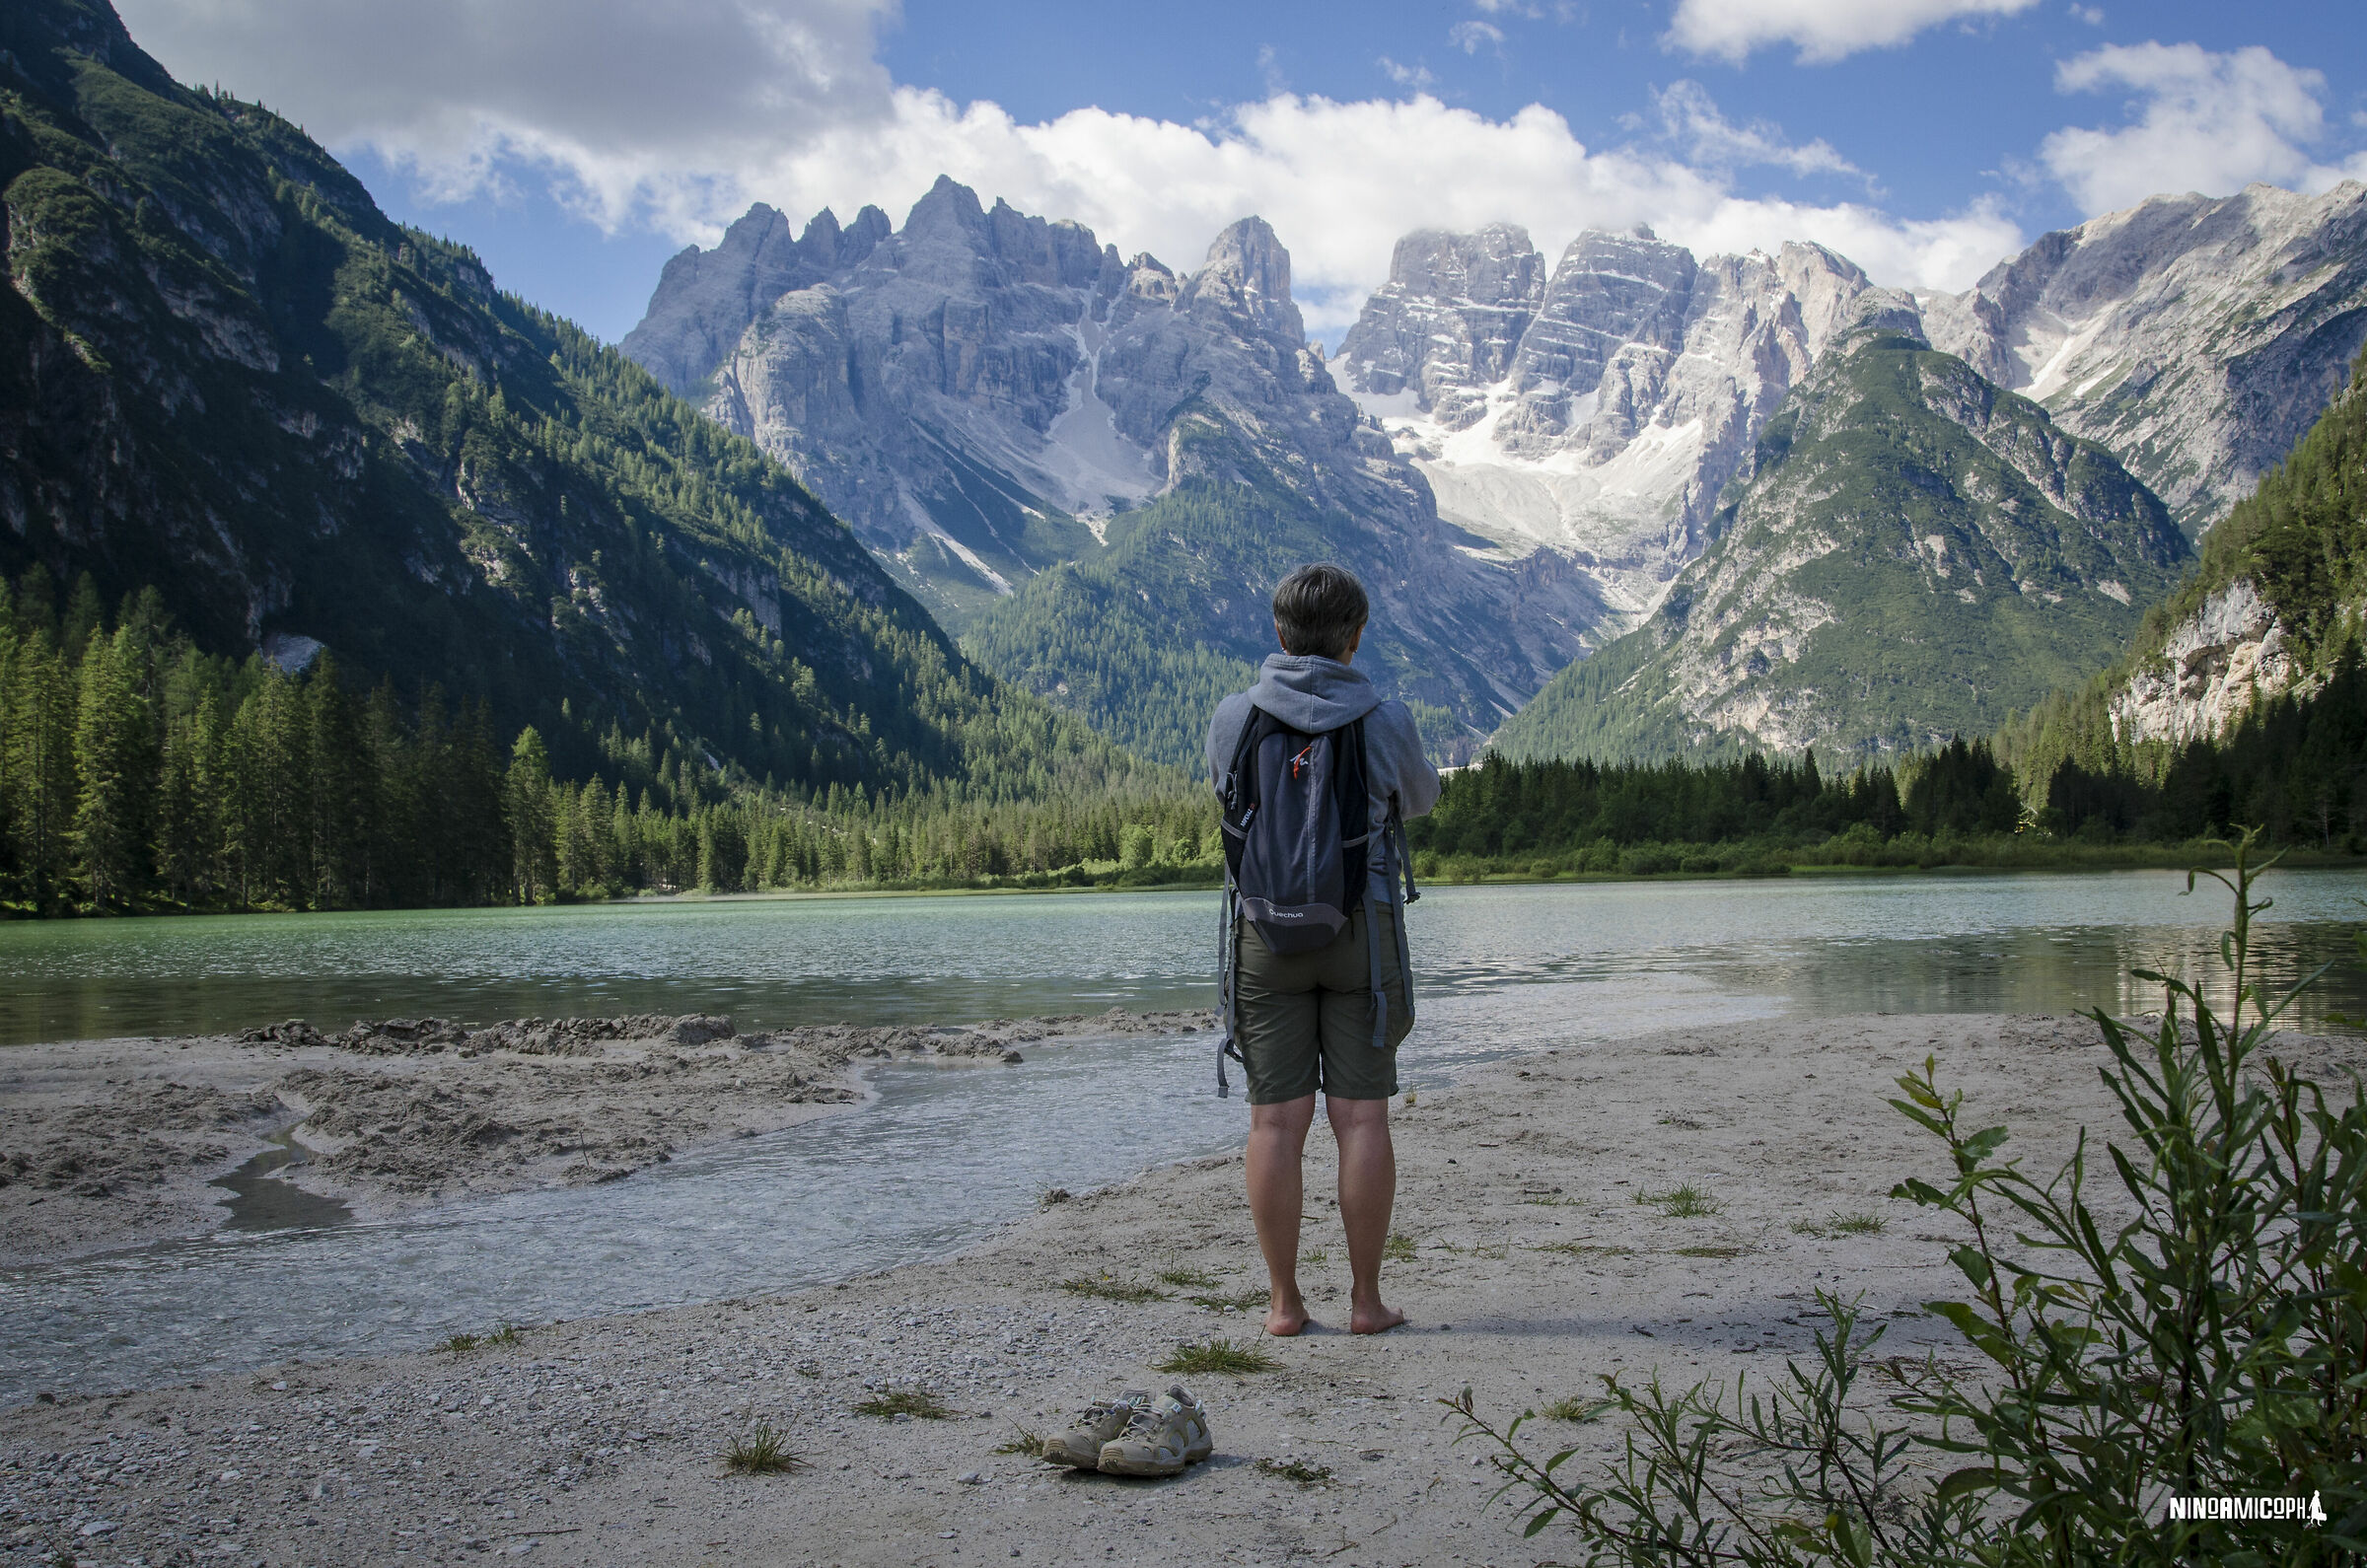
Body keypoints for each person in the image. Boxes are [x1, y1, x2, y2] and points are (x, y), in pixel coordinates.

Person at [1205, 563, 1440, 1337]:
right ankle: (1366, 1303)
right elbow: (1421, 799)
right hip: (1359, 932)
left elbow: (1225, 796)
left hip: (1263, 935)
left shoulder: (1235, 717)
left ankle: (1283, 1306)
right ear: (1355, 636)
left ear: (1278, 634)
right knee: (1362, 1120)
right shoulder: (1383, 717)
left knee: (1274, 1125)